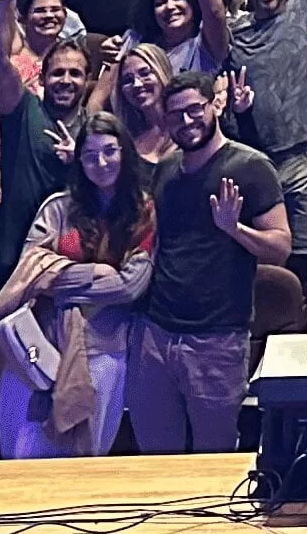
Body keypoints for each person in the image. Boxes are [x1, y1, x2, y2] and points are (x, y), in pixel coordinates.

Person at [124, 72, 290, 451]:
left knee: (213, 460)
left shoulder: (251, 167)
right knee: (154, 457)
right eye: (175, 115)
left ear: (213, 105)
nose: (186, 121)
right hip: (156, 332)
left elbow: (280, 248)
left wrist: (235, 230)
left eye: (194, 110)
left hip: (216, 340)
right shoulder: (167, 168)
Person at [0, 118, 154, 456]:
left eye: (109, 152)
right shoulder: (57, 208)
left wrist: (56, 273)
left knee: (86, 457)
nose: (101, 163)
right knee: (21, 451)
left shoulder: (143, 213)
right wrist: (98, 271)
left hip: (104, 349)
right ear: (79, 161)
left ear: (125, 153)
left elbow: (129, 286)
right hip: (38, 347)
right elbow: (29, 272)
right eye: (90, 155)